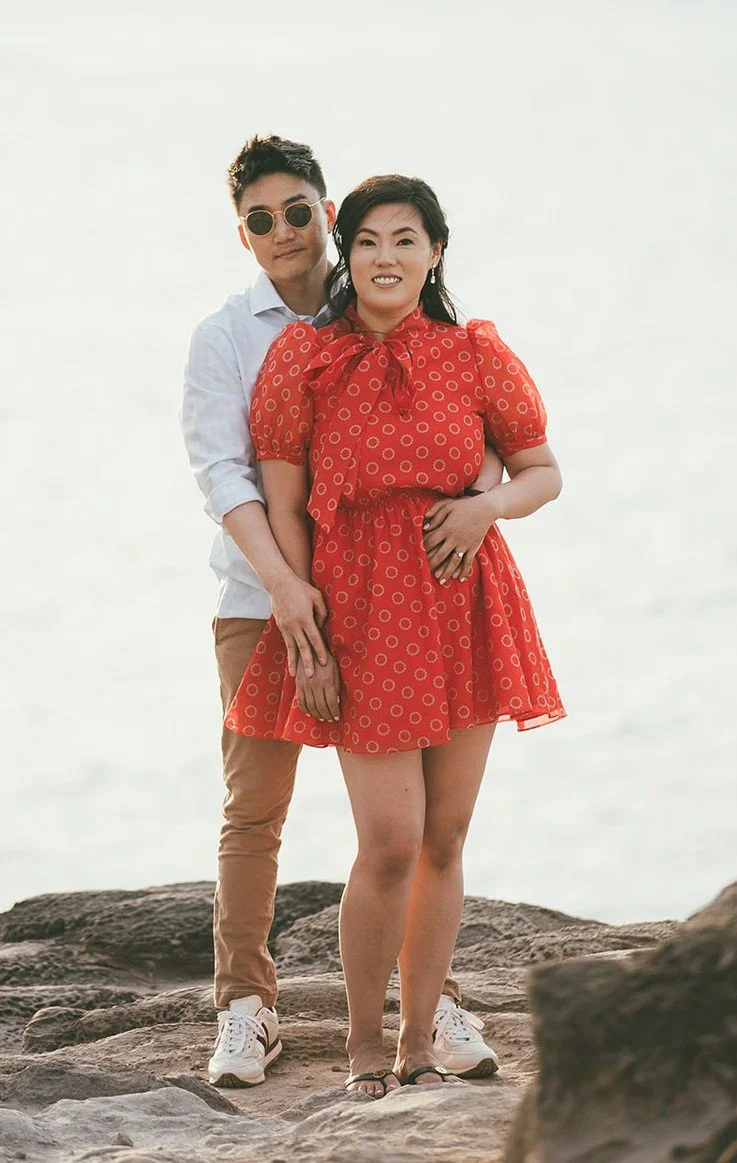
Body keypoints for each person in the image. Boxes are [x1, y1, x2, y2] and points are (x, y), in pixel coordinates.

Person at [225, 173, 565, 1097]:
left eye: (405, 239)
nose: (385, 257)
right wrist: (309, 632)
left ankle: (420, 1039)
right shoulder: (306, 358)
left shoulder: (474, 354)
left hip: (465, 605)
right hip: (362, 613)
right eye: (369, 239)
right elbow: (286, 505)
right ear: (350, 251)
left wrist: (484, 508)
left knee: (445, 837)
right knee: (387, 841)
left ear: (434, 252)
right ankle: (365, 1043)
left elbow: (542, 472)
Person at [182, 139, 501, 1090]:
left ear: (327, 213)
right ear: (241, 235)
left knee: (407, 828)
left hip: (394, 602)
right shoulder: (227, 336)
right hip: (263, 595)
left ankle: (426, 997)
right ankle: (247, 1005)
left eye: (297, 212)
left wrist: (482, 494)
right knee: (257, 807)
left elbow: (465, 427)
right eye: (260, 219)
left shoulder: (377, 300)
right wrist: (287, 591)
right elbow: (223, 474)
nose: (283, 232)